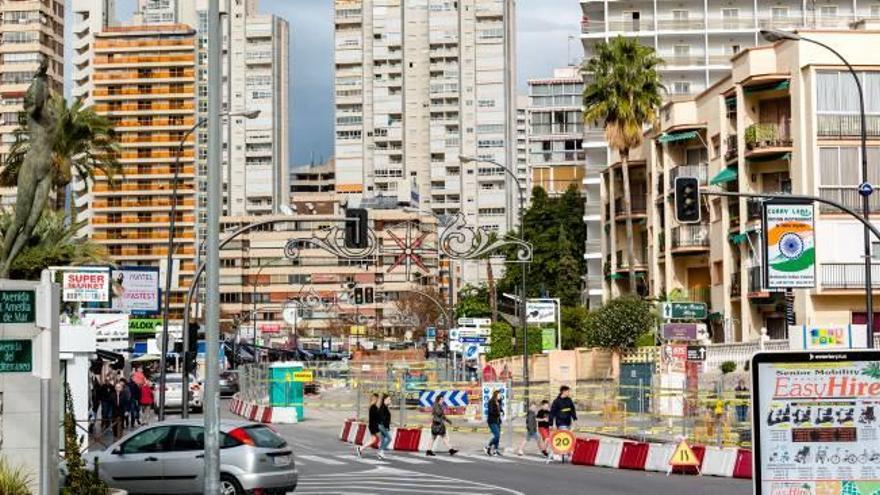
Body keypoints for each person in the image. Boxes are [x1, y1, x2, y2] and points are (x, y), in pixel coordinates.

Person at [356, 393, 380, 458]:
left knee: (374, 439)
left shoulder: (372, 406)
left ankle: (360, 448)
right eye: (377, 398)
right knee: (379, 438)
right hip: (374, 425)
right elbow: (376, 416)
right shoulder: (373, 407)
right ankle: (380, 453)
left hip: (372, 425)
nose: (378, 400)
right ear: (375, 398)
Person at [485, 390, 503, 456]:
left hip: (498, 421)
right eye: (499, 395)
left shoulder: (498, 402)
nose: (501, 396)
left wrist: (502, 411)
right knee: (497, 435)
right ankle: (487, 446)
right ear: (496, 395)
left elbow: (500, 409)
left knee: (498, 437)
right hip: (492, 421)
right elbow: (491, 411)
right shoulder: (491, 402)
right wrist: (498, 413)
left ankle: (495, 450)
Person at [377, 394, 392, 459]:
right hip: (382, 426)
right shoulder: (383, 408)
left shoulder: (384, 407)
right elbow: (383, 418)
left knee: (383, 440)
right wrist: (386, 427)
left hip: (381, 425)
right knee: (389, 438)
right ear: (384, 400)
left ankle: (380, 453)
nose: (390, 401)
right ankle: (381, 452)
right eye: (389, 399)